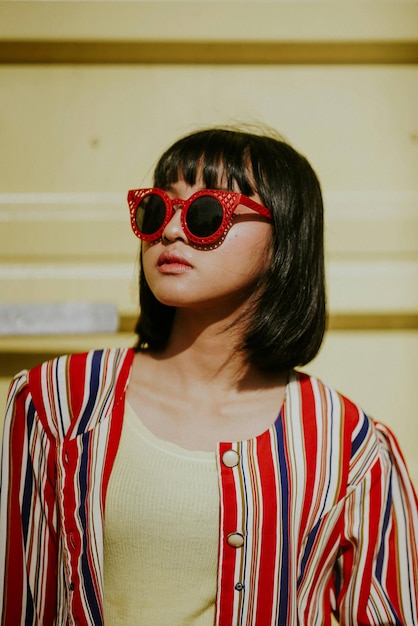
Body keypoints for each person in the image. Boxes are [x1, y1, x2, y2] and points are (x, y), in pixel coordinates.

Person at [0, 126, 417, 626]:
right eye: (157, 209)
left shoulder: (349, 448)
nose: (171, 232)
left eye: (206, 214)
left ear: (284, 238)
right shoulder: (54, 402)